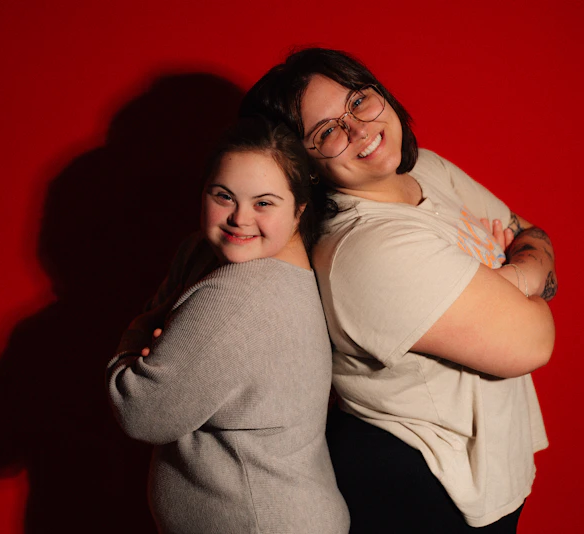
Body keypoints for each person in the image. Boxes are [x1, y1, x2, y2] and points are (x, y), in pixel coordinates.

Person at [240, 48, 558, 533]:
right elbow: (533, 340)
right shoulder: (367, 249)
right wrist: (519, 268)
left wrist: (516, 279)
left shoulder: (427, 170)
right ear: (302, 164)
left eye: (359, 101)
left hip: (488, 468)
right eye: (327, 131)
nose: (359, 129)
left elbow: (535, 233)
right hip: (425, 487)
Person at [106, 116, 350, 534]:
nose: (239, 218)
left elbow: (140, 411)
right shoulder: (209, 254)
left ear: (299, 211)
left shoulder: (237, 297)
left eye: (264, 203)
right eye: (223, 196)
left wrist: (137, 338)